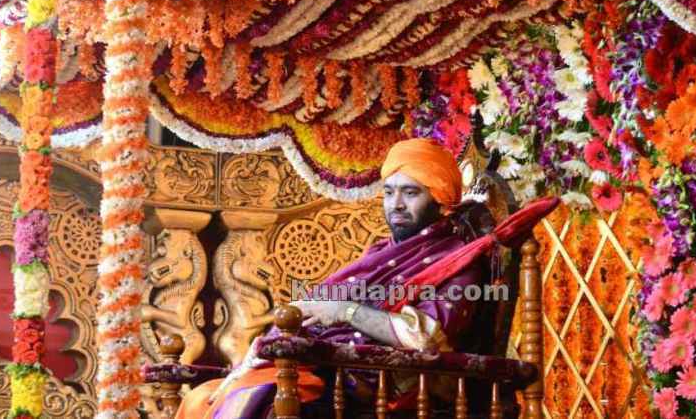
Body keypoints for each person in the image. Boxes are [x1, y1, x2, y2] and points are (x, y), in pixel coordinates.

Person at [175, 138, 557, 419]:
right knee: (201, 400)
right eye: (389, 193)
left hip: (379, 389)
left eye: (411, 193)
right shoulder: (380, 252)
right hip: (331, 371)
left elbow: (426, 336)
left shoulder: (456, 261)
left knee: (266, 404)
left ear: (440, 199)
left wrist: (345, 311)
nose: (397, 205)